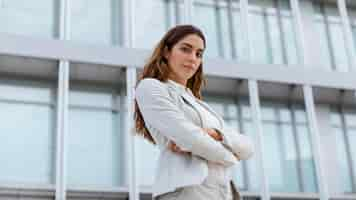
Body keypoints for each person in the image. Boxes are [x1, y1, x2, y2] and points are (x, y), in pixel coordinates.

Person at [134, 24, 254, 200]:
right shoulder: (151, 87)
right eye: (185, 49)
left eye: (199, 54)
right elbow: (189, 137)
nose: (193, 58)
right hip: (186, 192)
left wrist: (216, 134)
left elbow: (248, 147)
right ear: (166, 52)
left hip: (223, 192)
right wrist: (232, 157)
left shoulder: (200, 105)